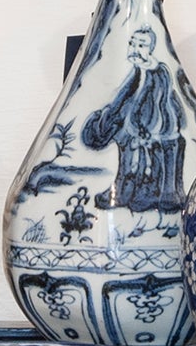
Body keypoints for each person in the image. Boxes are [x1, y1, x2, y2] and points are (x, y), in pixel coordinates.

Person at [79, 26, 188, 218]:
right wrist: (112, 116)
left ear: (151, 48)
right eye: (133, 43)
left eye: (142, 45)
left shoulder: (159, 72)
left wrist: (146, 127)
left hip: (155, 127)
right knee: (125, 140)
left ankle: (152, 191)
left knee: (152, 148)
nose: (135, 48)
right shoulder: (138, 70)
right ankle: (124, 189)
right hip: (136, 125)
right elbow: (126, 96)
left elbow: (160, 104)